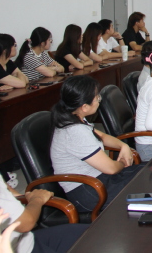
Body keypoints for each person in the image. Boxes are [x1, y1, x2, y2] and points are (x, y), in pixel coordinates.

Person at [50, 75, 143, 213]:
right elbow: (111, 168)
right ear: (84, 107)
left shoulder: (74, 117)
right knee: (145, 184)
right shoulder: (75, 131)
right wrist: (124, 162)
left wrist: (123, 146)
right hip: (88, 191)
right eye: (97, 97)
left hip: (98, 179)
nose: (99, 99)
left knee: (149, 171)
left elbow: (102, 136)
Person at [0, 171, 89, 253]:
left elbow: (6, 190)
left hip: (26, 241)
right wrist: (37, 199)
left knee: (91, 235)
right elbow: (26, 223)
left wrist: (22, 198)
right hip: (14, 248)